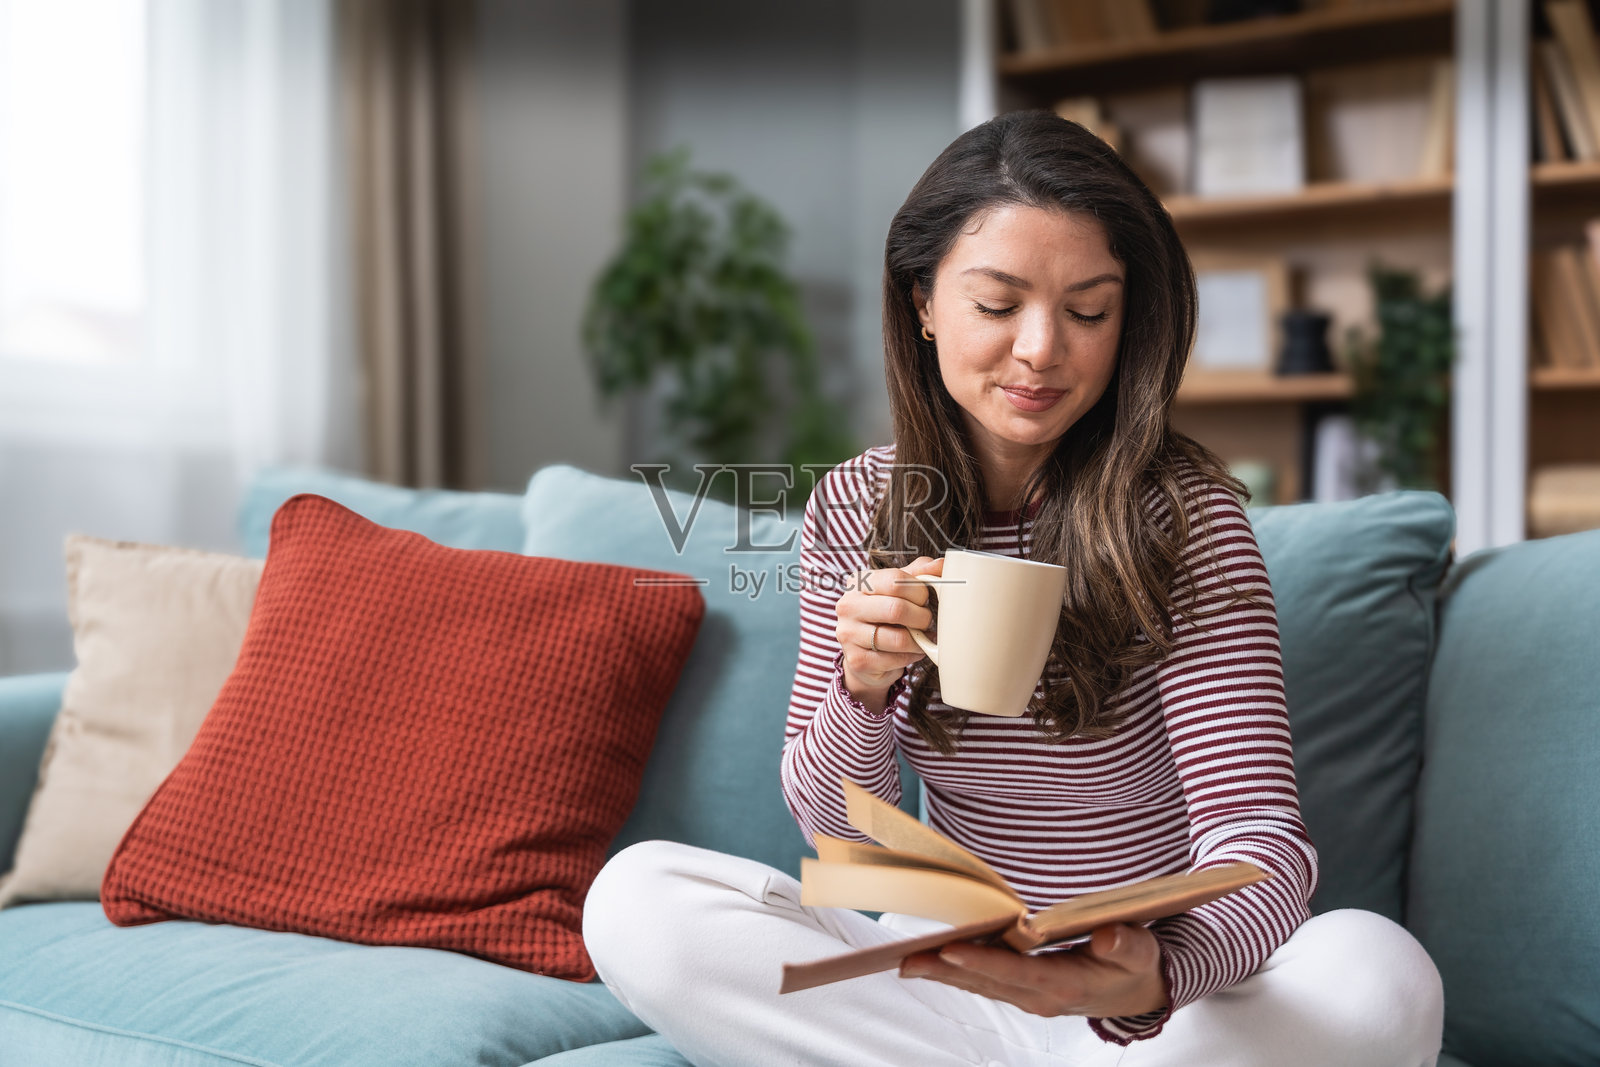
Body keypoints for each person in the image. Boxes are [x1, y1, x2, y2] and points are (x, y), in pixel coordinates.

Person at [584, 110, 1444, 1066]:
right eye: (998, 305)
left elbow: (1260, 840)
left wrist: (1158, 972)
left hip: (1162, 1008)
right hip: (950, 975)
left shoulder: (1187, 519)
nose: (1041, 349)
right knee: (638, 896)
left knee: (1378, 970)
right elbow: (845, 838)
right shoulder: (858, 503)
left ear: (1130, 322)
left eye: (1088, 311)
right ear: (921, 302)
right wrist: (859, 688)